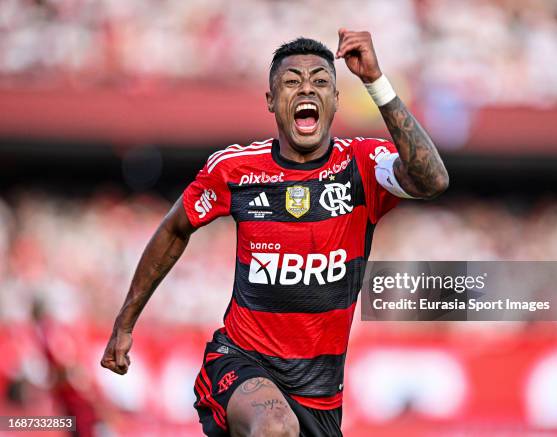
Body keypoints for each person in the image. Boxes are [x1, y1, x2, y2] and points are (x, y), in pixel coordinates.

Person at [101, 29, 448, 437]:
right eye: (291, 82)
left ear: (336, 100)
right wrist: (125, 323)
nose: (307, 88)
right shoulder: (234, 169)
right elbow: (175, 228)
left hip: (320, 394)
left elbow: (433, 180)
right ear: (270, 101)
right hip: (240, 360)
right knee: (275, 427)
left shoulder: (363, 165)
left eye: (321, 81)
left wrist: (375, 82)